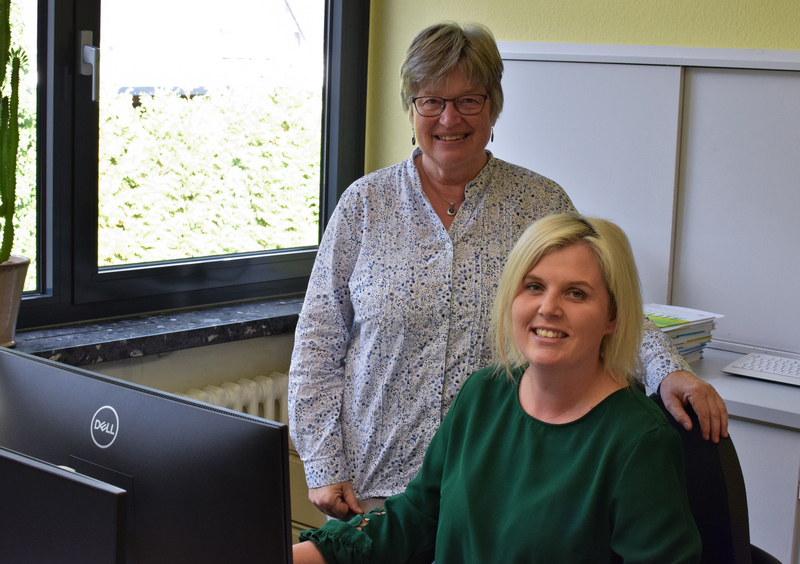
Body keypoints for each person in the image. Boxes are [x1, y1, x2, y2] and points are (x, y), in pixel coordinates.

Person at [288, 21, 728, 521]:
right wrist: (323, 463)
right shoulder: (364, 204)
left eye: (469, 100)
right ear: (411, 109)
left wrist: (670, 369)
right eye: (431, 101)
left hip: (499, 485)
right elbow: (318, 343)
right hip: (376, 482)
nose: (448, 117)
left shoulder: (538, 203)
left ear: (493, 107)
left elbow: (603, 303)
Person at [293, 214, 703, 563]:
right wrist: (303, 554)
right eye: (534, 287)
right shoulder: (483, 395)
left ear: (612, 316)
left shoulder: (638, 441)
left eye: (576, 293)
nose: (549, 308)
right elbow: (416, 516)